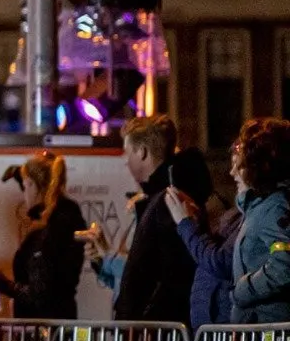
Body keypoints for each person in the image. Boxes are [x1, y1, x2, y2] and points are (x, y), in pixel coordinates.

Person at [169, 117, 290, 325]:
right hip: (254, 328)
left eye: (239, 165)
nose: (232, 172)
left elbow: (284, 264)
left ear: (258, 166)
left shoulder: (273, 208)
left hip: (266, 331)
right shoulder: (258, 208)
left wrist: (241, 290)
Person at [111, 115, 205, 323]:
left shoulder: (167, 201)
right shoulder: (163, 197)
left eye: (127, 153)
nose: (125, 161)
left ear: (142, 152)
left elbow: (163, 273)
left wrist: (139, 317)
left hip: (154, 330)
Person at [0, 152, 87, 320]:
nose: (24, 195)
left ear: (32, 184)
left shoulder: (53, 227)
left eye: (25, 186)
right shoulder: (63, 218)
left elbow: (41, 295)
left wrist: (3, 284)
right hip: (53, 327)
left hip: (45, 333)